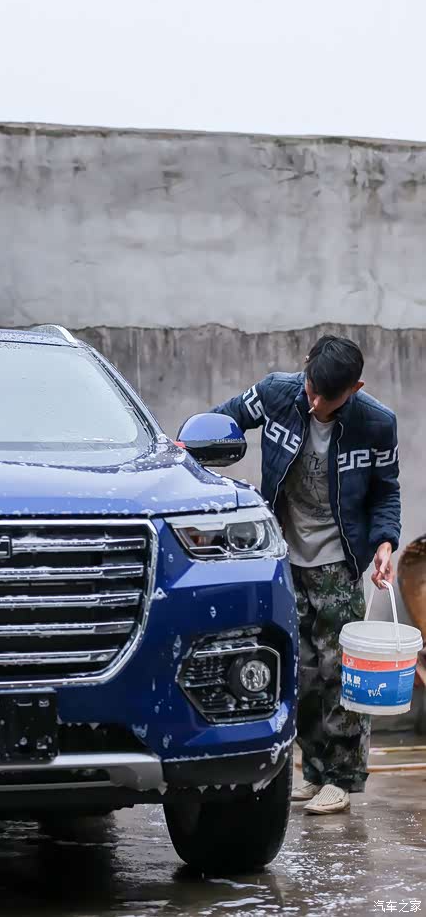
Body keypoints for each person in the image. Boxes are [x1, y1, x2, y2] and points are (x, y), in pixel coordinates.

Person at [210, 335, 400, 815]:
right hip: (283, 558)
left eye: (328, 398)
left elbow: (386, 490)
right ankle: (314, 771)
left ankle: (341, 778)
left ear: (355, 389)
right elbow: (223, 420)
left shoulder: (376, 424)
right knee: (300, 671)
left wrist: (384, 544)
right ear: (306, 366)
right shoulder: (277, 393)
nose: (315, 403)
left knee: (342, 672)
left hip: (339, 563)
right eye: (312, 390)